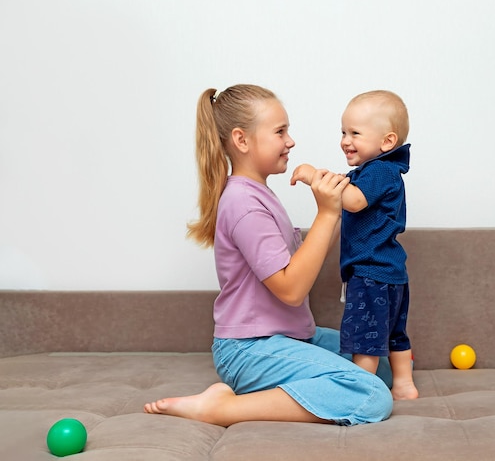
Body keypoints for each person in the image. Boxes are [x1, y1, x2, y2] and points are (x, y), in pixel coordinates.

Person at [143, 84, 393, 426]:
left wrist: (341, 208)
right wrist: (326, 214)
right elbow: (291, 290)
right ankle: (221, 409)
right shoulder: (243, 203)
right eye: (280, 132)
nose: (290, 141)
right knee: (372, 396)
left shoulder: (260, 194)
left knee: (381, 365)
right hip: (249, 349)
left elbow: (302, 258)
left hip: (290, 337)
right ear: (242, 140)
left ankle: (294, 389)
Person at [290, 90, 419, 400]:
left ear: (387, 142)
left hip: (370, 273)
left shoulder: (378, 171)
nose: (345, 140)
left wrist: (314, 177)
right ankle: (403, 385)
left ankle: (362, 392)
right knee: (393, 334)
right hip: (393, 274)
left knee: (366, 338)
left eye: (355, 133)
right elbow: (345, 208)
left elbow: (353, 201)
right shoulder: (384, 171)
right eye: (343, 132)